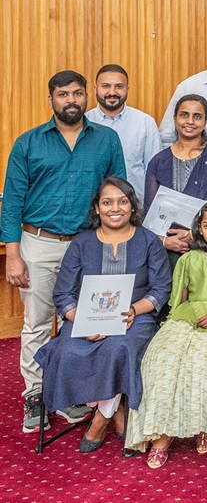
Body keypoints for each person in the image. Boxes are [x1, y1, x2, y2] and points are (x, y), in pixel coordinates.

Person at [2, 70, 127, 432]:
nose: (71, 100)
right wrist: (13, 254)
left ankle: (74, 392)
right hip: (38, 244)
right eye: (62, 95)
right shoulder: (28, 143)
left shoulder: (106, 139)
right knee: (37, 323)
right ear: (51, 100)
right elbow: (12, 202)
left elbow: (117, 193)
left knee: (86, 321)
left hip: (89, 245)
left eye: (77, 94)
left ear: (86, 97)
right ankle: (36, 396)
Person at [34, 177, 171, 452]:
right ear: (97, 208)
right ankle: (117, 410)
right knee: (66, 350)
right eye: (107, 202)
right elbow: (63, 294)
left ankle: (100, 417)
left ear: (132, 207)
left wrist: (133, 310)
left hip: (135, 317)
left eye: (123, 201)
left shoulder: (148, 242)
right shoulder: (82, 243)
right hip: (85, 318)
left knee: (118, 348)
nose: (115, 208)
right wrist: (82, 321)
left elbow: (161, 288)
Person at [125, 200, 207, 467]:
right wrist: (189, 318)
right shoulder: (188, 259)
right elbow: (180, 299)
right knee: (163, 358)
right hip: (188, 316)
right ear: (198, 228)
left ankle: (205, 424)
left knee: (206, 360)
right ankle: (161, 434)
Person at [145, 95, 207, 259]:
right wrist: (164, 241)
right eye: (184, 115)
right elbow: (149, 217)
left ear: (205, 121)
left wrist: (194, 234)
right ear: (175, 119)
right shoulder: (159, 162)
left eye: (197, 116)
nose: (190, 121)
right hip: (165, 254)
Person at [86, 64, 163, 203]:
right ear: (95, 89)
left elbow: (155, 173)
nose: (112, 92)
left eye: (119, 87)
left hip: (136, 207)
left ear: (127, 89)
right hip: (92, 207)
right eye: (105, 86)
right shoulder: (84, 123)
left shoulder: (145, 123)